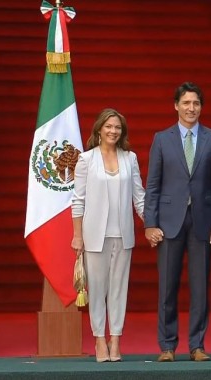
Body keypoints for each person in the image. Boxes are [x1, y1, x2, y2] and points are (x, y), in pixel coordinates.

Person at [144, 82, 211, 362]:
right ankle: (167, 346)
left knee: (200, 287)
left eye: (196, 103)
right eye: (187, 103)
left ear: (201, 107)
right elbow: (152, 186)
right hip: (168, 222)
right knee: (167, 286)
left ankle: (197, 345)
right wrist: (149, 223)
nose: (192, 108)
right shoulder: (162, 138)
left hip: (202, 221)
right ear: (176, 105)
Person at [71, 108, 146, 363]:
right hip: (94, 236)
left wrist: (152, 224)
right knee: (99, 289)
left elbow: (140, 198)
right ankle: (99, 339)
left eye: (117, 127)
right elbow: (78, 201)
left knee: (118, 290)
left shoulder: (130, 158)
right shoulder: (86, 159)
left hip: (123, 235)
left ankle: (115, 339)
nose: (113, 131)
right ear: (99, 130)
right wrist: (77, 236)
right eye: (109, 127)